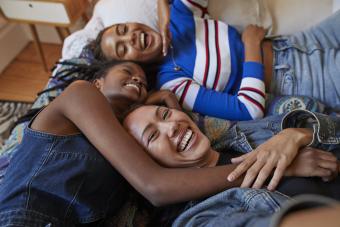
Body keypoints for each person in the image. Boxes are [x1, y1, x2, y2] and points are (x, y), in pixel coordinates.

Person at [0, 59, 261, 226]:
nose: (138, 78)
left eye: (143, 81)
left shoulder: (124, 145)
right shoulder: (80, 94)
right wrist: (259, 165)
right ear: (97, 83)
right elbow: (155, 186)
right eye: (127, 71)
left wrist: (163, 105)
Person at [88, 0, 340, 121]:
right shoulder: (173, 83)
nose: (131, 37)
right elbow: (248, 109)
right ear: (132, 64)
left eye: (123, 29)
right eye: (122, 49)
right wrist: (250, 45)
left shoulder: (178, 18)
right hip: (297, 78)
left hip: (299, 41)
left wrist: (163, 5)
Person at [123, 105, 340, 192]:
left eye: (165, 114)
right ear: (147, 163)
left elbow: (334, 127)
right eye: (152, 135)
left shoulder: (242, 132)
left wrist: (296, 136)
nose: (171, 127)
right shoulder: (203, 214)